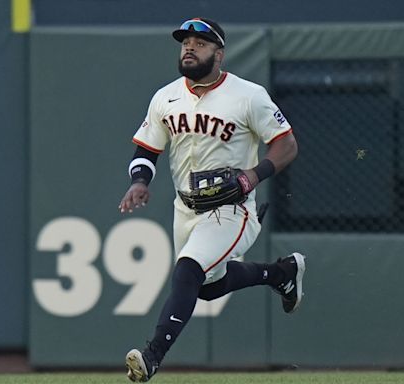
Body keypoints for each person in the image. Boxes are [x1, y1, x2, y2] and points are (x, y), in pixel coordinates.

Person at [119, 17, 306, 382]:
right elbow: (147, 148)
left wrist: (253, 176)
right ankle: (281, 273)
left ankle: (152, 356)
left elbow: (287, 144)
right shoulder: (166, 96)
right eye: (185, 42)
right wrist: (139, 181)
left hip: (231, 208)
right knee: (207, 288)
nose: (189, 47)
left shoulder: (247, 95)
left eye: (200, 43)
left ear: (219, 54)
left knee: (187, 271)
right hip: (185, 208)